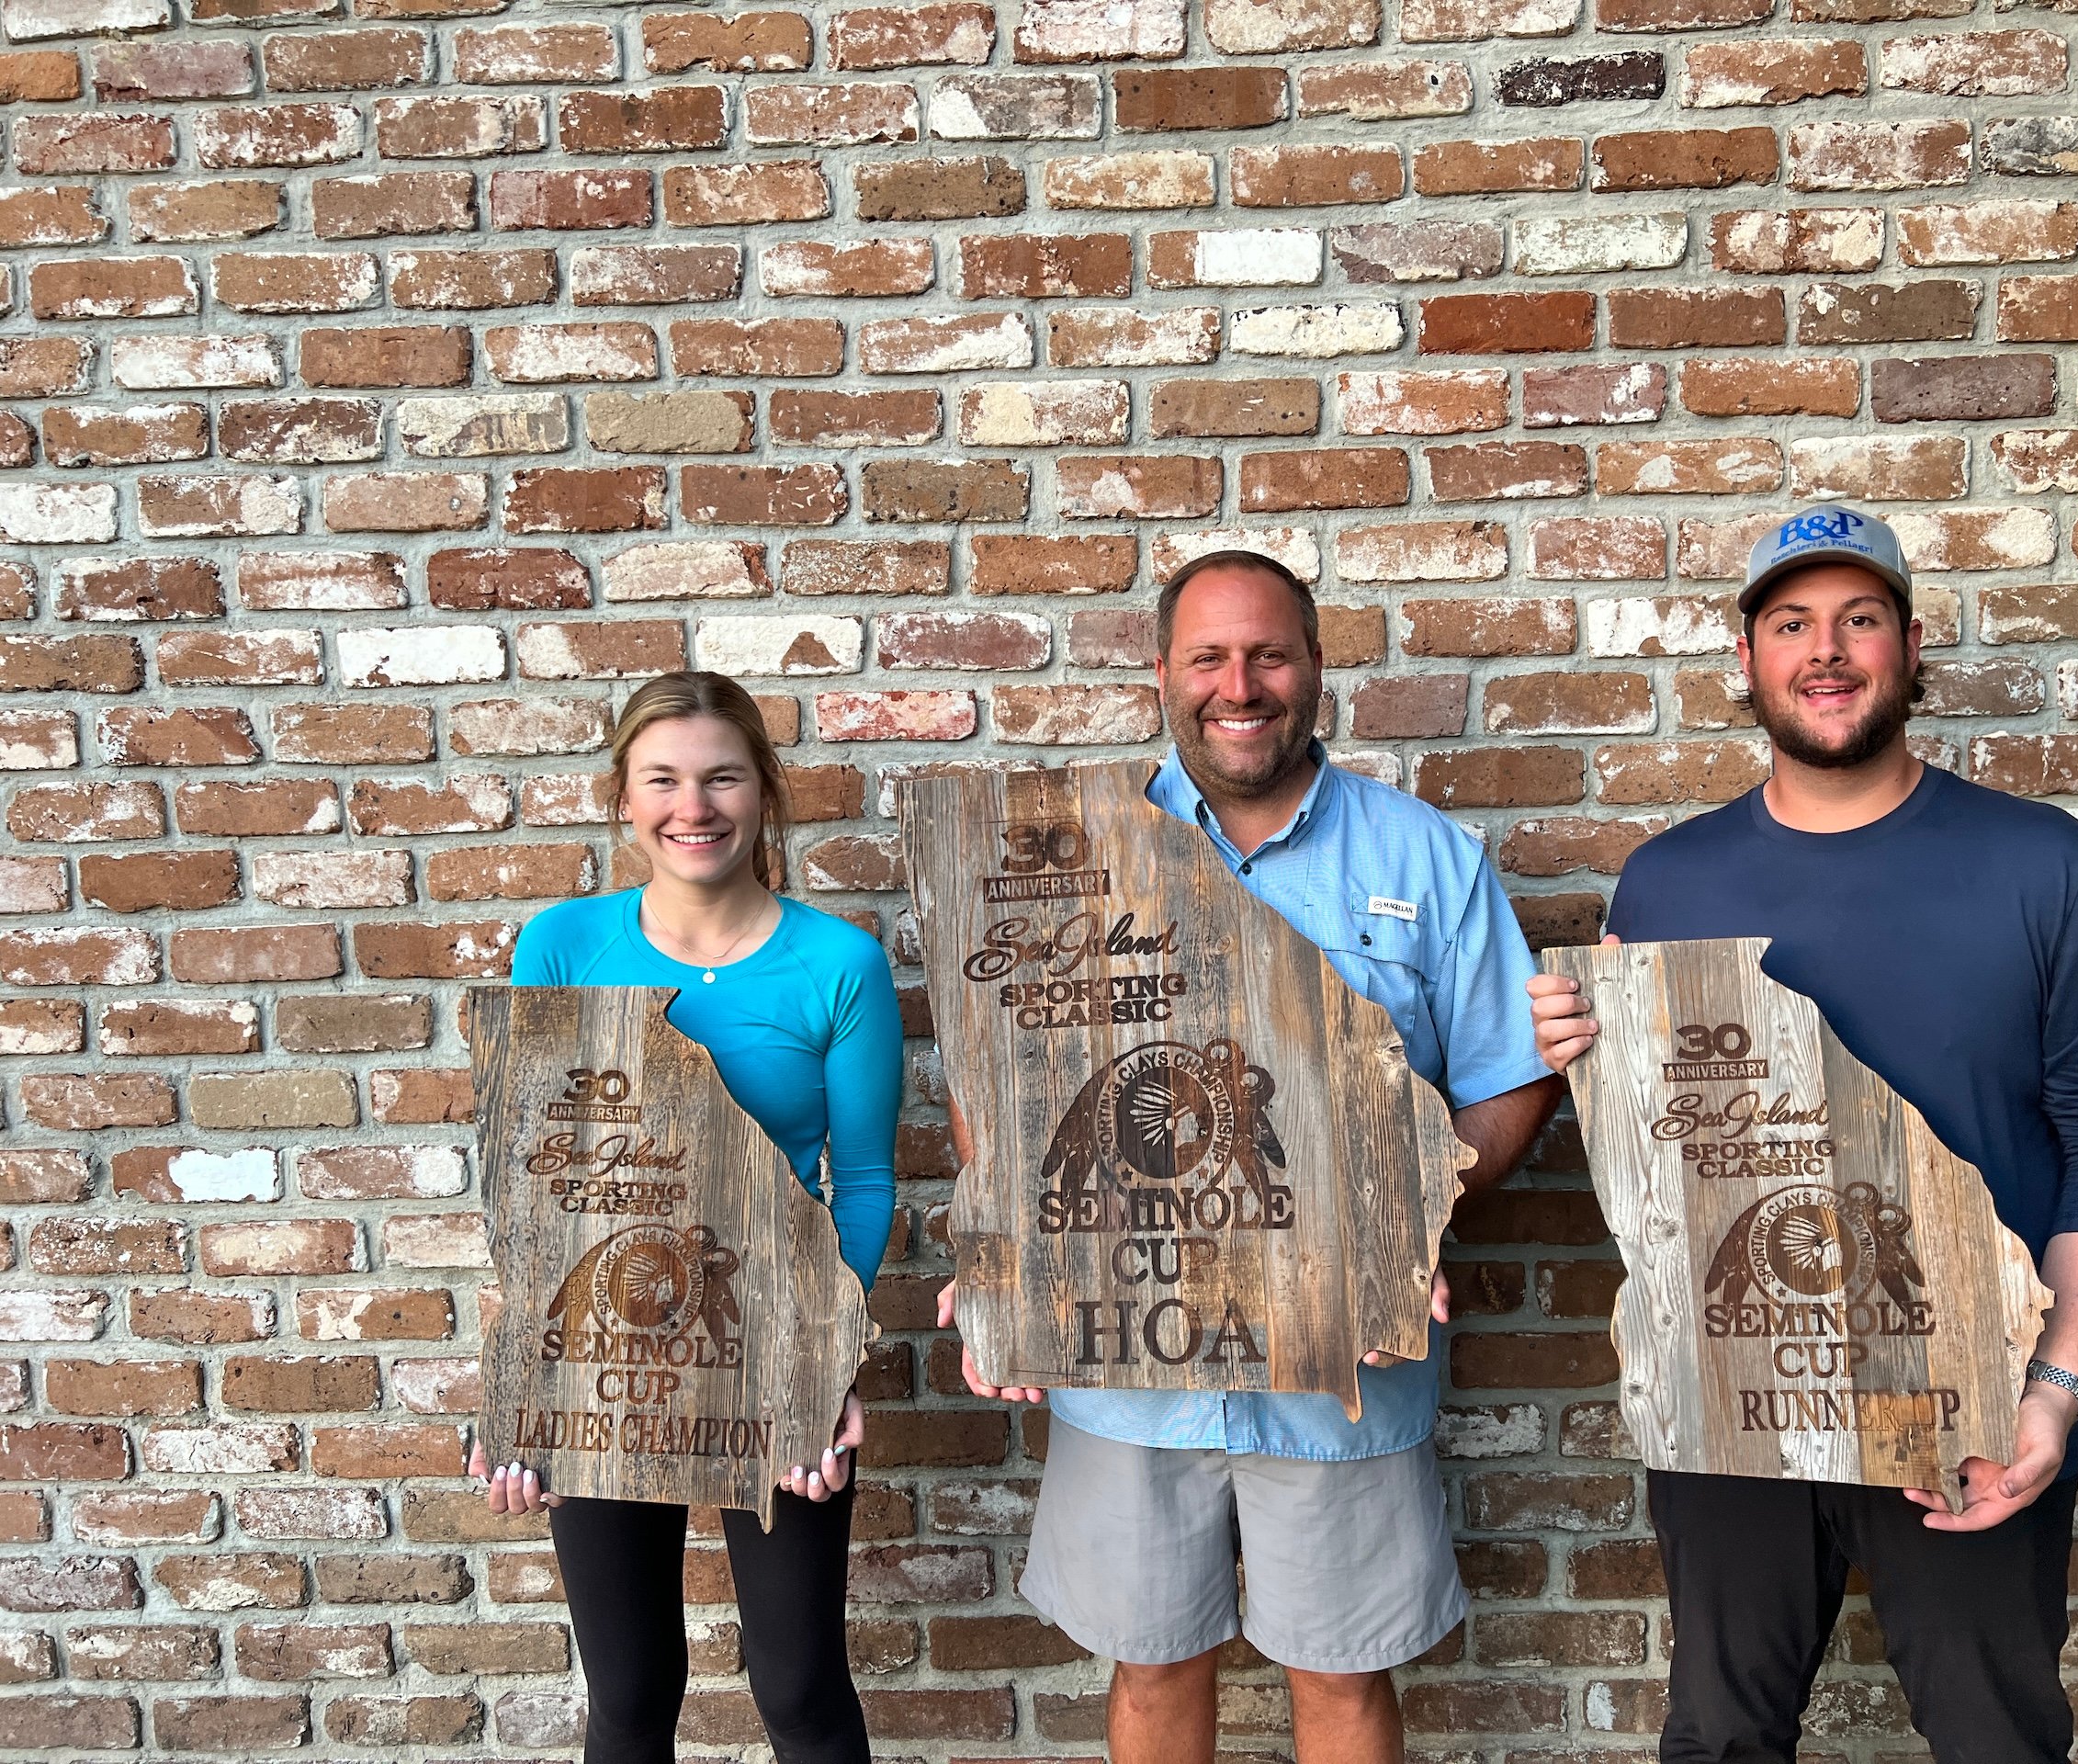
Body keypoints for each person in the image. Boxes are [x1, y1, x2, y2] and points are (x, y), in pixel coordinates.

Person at [1527, 505, 2078, 1764]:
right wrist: (1580, 1059)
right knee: (1719, 1735)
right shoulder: (1669, 881)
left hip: (1975, 1395)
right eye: (1793, 624)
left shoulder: (2052, 868)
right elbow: (1663, 1170)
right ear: (1748, 659)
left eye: (1860, 619)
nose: (1827, 651)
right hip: (1734, 1400)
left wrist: (2052, 1394)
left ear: (1911, 644)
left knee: (1998, 1738)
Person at [937, 550, 1563, 1764]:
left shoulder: (1425, 863)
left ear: (1316, 668)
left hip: (1346, 1371)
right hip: (1132, 1367)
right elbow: (999, 1087)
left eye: (1269, 653)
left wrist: (1402, 1211)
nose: (1242, 683)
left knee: (1340, 1677)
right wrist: (1009, 1244)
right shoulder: (1068, 858)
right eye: (1211, 657)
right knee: (1156, 1664)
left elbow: (1507, 1079)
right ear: (1163, 673)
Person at [467, 670, 902, 1764]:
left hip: (770, 1350)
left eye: (721, 777)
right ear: (624, 798)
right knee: (630, 1689)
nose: (692, 806)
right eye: (661, 779)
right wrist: (527, 1384)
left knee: (799, 1687)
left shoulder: (838, 963)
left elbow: (863, 1180)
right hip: (602, 1352)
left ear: (763, 794)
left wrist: (825, 1367)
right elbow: (536, 1187)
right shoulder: (563, 948)